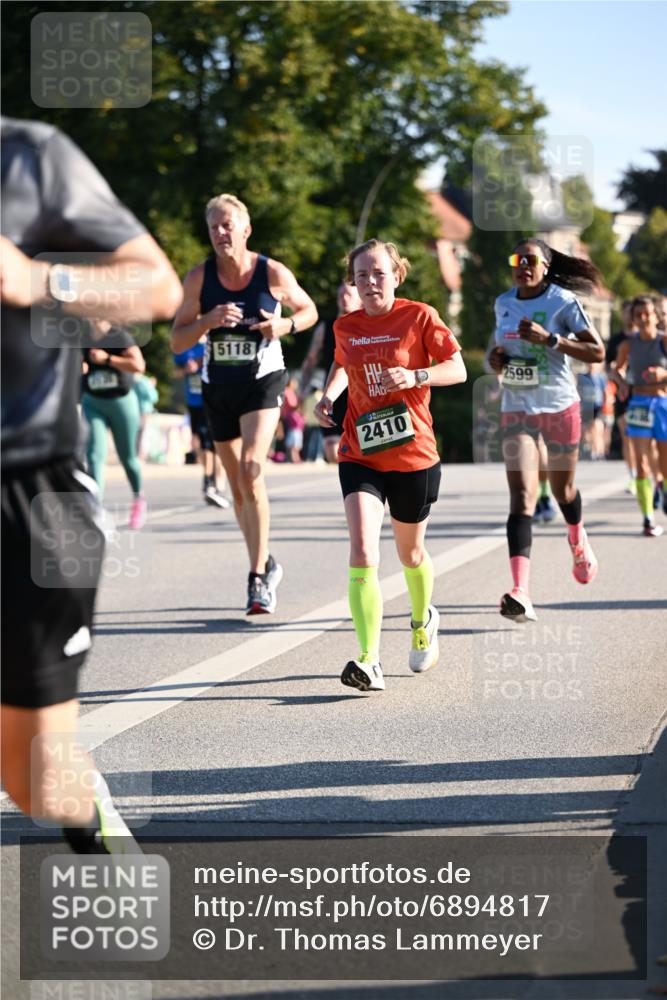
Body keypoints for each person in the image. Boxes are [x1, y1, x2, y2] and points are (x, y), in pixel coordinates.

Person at [1, 116, 182, 853]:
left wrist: (40, 279)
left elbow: (159, 288)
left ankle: (89, 817)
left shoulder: (30, 157)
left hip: (30, 488)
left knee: (35, 779)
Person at [315, 239, 466, 692]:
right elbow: (343, 364)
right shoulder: (346, 325)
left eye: (378, 273)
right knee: (363, 551)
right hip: (360, 452)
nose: (370, 282)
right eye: (361, 275)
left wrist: (417, 375)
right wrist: (329, 394)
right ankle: (369, 659)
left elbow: (456, 368)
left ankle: (422, 620)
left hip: (414, 455)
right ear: (353, 282)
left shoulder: (419, 316)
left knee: (410, 554)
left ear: (396, 275)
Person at [170, 194, 318, 614]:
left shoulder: (270, 272)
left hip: (262, 381)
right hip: (218, 387)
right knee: (238, 486)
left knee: (253, 468)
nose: (220, 233)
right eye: (213, 226)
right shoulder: (199, 279)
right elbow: (176, 340)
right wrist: (207, 321)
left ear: (245, 230)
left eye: (227, 225)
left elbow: (308, 309)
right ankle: (266, 562)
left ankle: (256, 577)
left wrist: (284, 324)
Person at [488, 238, 605, 623]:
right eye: (516, 259)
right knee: (522, 496)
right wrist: (496, 360)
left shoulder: (562, 303)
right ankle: (521, 591)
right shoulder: (503, 303)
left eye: (530, 260)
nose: (522, 265)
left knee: (562, 490)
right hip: (517, 407)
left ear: (545, 266)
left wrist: (551, 339)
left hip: (558, 405)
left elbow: (597, 352)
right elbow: (499, 353)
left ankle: (577, 536)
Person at [81, 319, 148, 529]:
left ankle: (139, 500)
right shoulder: (82, 337)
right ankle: (95, 510)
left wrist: (107, 359)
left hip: (121, 401)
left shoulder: (120, 336)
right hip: (92, 402)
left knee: (128, 458)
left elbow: (139, 366)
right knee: (94, 456)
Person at [611, 295, 667, 537]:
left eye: (647, 313)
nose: (643, 318)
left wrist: (663, 373)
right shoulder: (628, 345)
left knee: (664, 466)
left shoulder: (664, 341)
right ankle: (647, 519)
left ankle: (662, 489)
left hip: (663, 403)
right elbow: (616, 370)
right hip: (638, 405)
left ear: (656, 316)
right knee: (642, 464)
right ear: (633, 319)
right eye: (638, 315)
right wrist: (622, 383)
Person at [299, 282, 363, 463]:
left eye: (349, 294)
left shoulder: (367, 324)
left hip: (361, 394)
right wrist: (302, 391)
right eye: (341, 294)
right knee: (332, 451)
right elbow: (310, 360)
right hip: (333, 393)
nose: (344, 298)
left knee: (362, 449)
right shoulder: (326, 327)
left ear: (360, 299)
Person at [173, 338, 230, 508]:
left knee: (212, 443)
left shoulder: (211, 345)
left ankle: (213, 482)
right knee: (199, 442)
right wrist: (186, 370)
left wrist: (200, 366)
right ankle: (211, 478)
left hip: (211, 400)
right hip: (194, 402)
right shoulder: (184, 348)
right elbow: (175, 373)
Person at [606, 299, 637, 491]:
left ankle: (648, 472)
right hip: (623, 394)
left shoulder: (647, 339)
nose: (629, 316)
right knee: (627, 436)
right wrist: (619, 379)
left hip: (645, 394)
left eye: (632, 312)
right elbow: (608, 367)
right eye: (626, 312)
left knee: (645, 439)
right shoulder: (617, 340)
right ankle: (633, 475)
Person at [133, 371, 159, 458]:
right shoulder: (144, 381)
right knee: (142, 433)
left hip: (133, 409)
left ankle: (135, 454)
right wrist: (152, 386)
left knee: (135, 433)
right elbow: (153, 397)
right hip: (144, 411)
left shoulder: (130, 380)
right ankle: (139, 455)